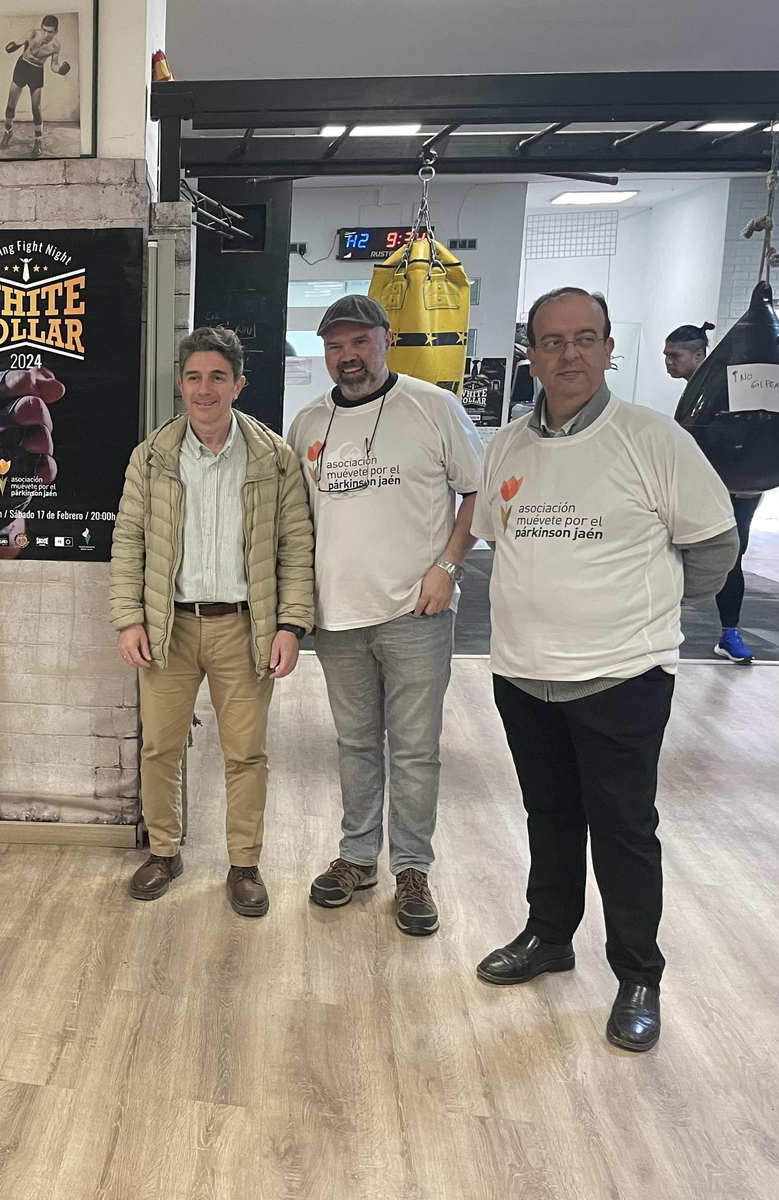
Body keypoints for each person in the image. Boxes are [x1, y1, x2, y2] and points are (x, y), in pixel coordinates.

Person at [473, 287, 738, 1053]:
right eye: (551, 342)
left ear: (609, 346)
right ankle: (549, 936)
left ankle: (638, 975)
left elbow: (714, 551)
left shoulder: (653, 440)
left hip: (622, 677)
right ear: (530, 352)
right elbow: (499, 536)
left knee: (623, 830)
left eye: (584, 338)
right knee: (550, 817)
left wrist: (639, 610)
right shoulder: (508, 448)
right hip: (522, 675)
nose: (568, 354)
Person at [285, 295, 483, 937]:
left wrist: (447, 566)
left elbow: (476, 490)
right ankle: (358, 856)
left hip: (415, 611)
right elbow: (297, 520)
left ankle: (413, 869)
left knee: (417, 749)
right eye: (335, 345)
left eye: (359, 342)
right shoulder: (308, 423)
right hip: (338, 615)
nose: (348, 355)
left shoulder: (433, 407)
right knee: (355, 744)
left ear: (386, 340)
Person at [110, 326, 314, 917]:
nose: (205, 389)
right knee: (160, 749)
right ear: (180, 384)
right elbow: (128, 541)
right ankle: (165, 851)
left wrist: (290, 625)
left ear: (239, 385)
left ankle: (244, 864)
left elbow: (295, 546)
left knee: (246, 754)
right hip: (167, 627)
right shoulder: (152, 456)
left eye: (217, 377)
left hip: (244, 628)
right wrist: (129, 619)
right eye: (194, 377)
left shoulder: (273, 458)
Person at [665, 322, 761, 664]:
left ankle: (729, 633)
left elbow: (755, 435)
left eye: (675, 355)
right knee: (667, 551)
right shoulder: (695, 396)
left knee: (730, 558)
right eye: (666, 355)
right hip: (694, 486)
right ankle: (661, 627)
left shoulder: (730, 389)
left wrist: (753, 480)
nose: (668, 362)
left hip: (736, 489)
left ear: (699, 355)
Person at [0, 14, 70, 154]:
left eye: (50, 31)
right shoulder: (31, 34)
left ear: (56, 32)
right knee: (10, 105)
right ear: (41, 28)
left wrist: (60, 71)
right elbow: (18, 43)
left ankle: (38, 141)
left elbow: (54, 65)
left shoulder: (55, 46)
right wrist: (12, 47)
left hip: (36, 72)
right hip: (22, 67)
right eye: (44, 30)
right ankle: (8, 132)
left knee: (36, 109)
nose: (46, 34)